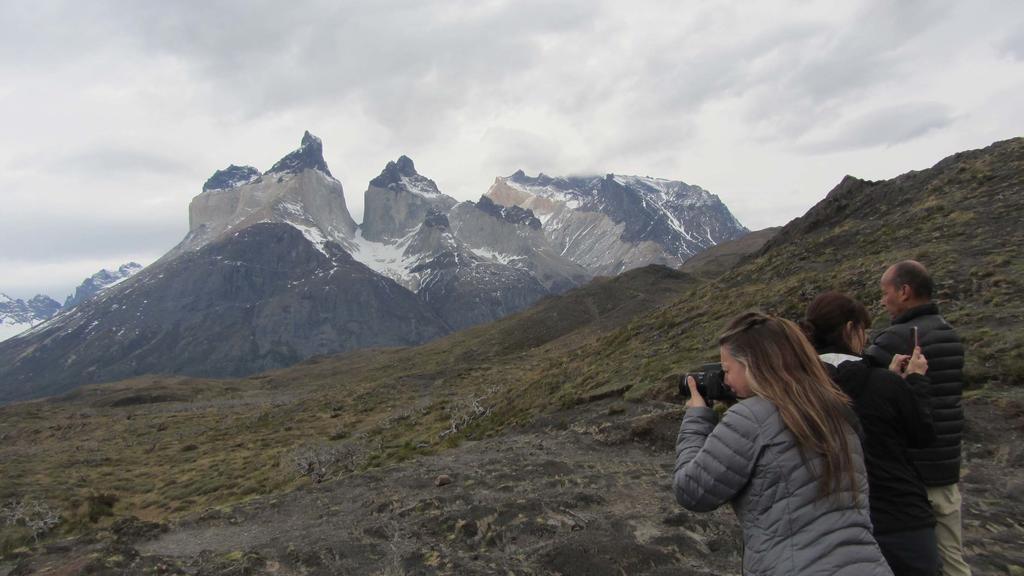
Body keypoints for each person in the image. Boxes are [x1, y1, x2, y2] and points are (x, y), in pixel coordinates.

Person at [673, 311, 893, 576]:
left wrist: (697, 417)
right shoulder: (836, 412)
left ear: (752, 365)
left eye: (728, 369)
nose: (725, 380)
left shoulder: (751, 418)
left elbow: (692, 491)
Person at [803, 291, 939, 576]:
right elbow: (922, 435)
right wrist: (913, 382)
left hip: (826, 524)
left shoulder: (797, 390)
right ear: (851, 329)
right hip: (897, 516)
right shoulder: (886, 385)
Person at [865, 261, 970, 576]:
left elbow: (861, 383)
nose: (882, 302)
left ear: (904, 291)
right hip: (947, 466)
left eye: (885, 293)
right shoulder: (949, 333)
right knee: (952, 557)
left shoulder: (895, 340)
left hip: (908, 475)